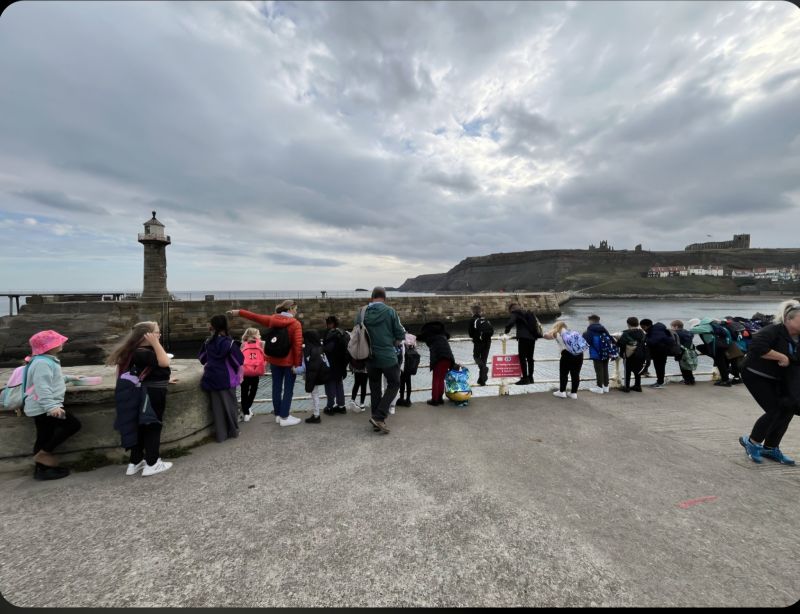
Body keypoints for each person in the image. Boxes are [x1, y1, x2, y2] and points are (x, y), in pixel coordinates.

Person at [108, 321, 175, 476]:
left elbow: (129, 372)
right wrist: (156, 343)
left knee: (138, 426)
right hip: (152, 393)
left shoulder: (131, 351)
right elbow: (164, 361)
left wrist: (164, 379)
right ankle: (152, 462)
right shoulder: (144, 352)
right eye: (156, 332)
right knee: (152, 425)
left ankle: (135, 461)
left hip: (138, 391)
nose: (159, 335)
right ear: (147, 335)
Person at [738, 299, 800, 465]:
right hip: (755, 373)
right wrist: (781, 356)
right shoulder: (773, 330)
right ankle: (752, 442)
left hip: (777, 378)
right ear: (789, 319)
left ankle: (771, 448)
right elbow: (757, 346)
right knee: (775, 409)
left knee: (788, 408)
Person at [227, 301, 304, 427]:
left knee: (276, 387)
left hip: (274, 360)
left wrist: (239, 312)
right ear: (290, 309)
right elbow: (297, 346)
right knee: (288, 389)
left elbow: (254, 316)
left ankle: (278, 415)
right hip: (289, 362)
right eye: (295, 309)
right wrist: (297, 364)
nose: (296, 311)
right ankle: (285, 416)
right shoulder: (295, 324)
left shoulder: (272, 319)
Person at [22, 330, 81, 481]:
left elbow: (52, 378)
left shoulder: (43, 360)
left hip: (39, 407)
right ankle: (44, 454)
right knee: (73, 425)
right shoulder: (42, 362)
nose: (62, 343)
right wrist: (51, 407)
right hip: (44, 407)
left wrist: (69, 378)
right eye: (58, 342)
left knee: (44, 435)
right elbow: (42, 386)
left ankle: (42, 470)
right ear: (50, 346)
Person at [355, 287, 405, 434]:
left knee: (375, 387)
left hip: (369, 357)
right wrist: (392, 340)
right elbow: (400, 333)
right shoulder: (390, 312)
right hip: (388, 356)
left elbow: (357, 330)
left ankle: (376, 420)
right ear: (384, 298)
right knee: (394, 383)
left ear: (372, 297)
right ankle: (379, 416)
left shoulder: (362, 312)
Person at [199, 315, 245, 441]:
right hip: (227, 377)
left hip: (211, 376)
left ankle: (221, 435)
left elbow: (202, 359)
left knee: (217, 407)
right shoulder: (229, 343)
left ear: (212, 327)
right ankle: (233, 431)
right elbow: (239, 360)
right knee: (230, 405)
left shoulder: (207, 342)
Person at [543, 321, 584, 399]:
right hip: (579, 354)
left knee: (564, 373)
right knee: (575, 374)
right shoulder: (573, 333)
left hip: (567, 355)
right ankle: (574, 393)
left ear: (557, 327)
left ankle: (562, 392)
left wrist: (550, 331)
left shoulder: (557, 333)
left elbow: (546, 336)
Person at [503, 302, 542, 385]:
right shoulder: (528, 312)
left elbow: (510, 323)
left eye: (510, 311)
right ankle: (531, 377)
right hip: (532, 338)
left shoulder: (515, 313)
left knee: (522, 358)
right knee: (530, 358)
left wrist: (506, 332)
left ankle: (525, 378)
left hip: (523, 338)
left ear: (512, 309)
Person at [297, 330, 330, 424]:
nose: (303, 339)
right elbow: (326, 362)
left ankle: (316, 415)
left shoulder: (308, 350)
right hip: (320, 374)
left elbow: (304, 367)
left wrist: (295, 370)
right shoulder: (320, 348)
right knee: (316, 395)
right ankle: (316, 414)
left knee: (314, 395)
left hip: (313, 375)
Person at [419, 321, 455, 406]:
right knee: (441, 379)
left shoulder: (429, 335)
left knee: (436, 379)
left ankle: (434, 400)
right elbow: (448, 335)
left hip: (439, 358)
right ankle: (440, 398)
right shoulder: (443, 334)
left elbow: (420, 337)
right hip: (448, 357)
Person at [322, 315, 348, 416]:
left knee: (330, 386)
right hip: (341, 364)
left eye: (327, 323)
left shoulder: (330, 334)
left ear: (330, 324)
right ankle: (341, 406)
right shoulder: (343, 333)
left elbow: (328, 349)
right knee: (339, 385)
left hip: (331, 364)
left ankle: (330, 407)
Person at [240, 327, 266, 422]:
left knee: (244, 392)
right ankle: (247, 408)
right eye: (258, 334)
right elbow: (265, 356)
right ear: (256, 335)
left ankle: (246, 412)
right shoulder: (261, 344)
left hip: (245, 372)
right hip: (256, 371)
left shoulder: (243, 345)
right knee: (253, 390)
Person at [639, 318, 674, 389]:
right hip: (663, 350)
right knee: (661, 367)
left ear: (646, 326)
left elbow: (653, 341)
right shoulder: (658, 328)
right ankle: (660, 381)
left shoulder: (654, 332)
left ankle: (660, 382)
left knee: (659, 367)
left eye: (643, 327)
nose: (643, 329)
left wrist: (646, 338)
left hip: (659, 352)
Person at [583, 314, 613, 394]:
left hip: (596, 353)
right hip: (606, 352)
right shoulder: (603, 329)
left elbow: (586, 342)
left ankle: (599, 387)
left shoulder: (589, 330)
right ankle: (606, 387)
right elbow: (610, 338)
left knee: (599, 370)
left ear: (591, 321)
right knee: (605, 369)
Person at [617, 317, 647, 393]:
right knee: (638, 370)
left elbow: (620, 344)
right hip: (640, 354)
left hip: (628, 355)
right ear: (637, 323)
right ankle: (638, 386)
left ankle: (626, 387)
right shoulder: (642, 332)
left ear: (628, 324)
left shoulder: (625, 333)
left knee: (627, 371)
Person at [468, 304, 493, 386]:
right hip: (488, 342)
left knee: (476, 357)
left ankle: (484, 371)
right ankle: (482, 380)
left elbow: (470, 334)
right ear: (480, 311)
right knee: (484, 360)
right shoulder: (485, 320)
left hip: (478, 342)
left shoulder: (472, 320)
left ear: (473, 311)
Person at [670, 320, 696, 385]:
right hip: (689, 351)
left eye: (672, 327)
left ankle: (687, 380)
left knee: (683, 367)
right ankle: (691, 379)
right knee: (688, 366)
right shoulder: (688, 332)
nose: (671, 328)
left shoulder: (676, 333)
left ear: (676, 327)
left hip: (681, 352)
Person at [396, 332, 418, 407]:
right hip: (410, 365)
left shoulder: (402, 340)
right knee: (408, 383)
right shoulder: (413, 340)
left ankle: (401, 398)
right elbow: (415, 349)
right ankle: (408, 400)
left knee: (402, 383)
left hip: (403, 365)